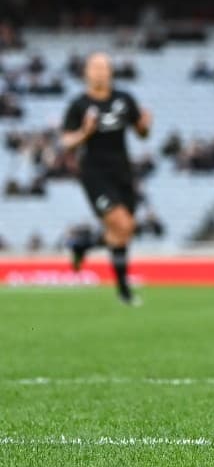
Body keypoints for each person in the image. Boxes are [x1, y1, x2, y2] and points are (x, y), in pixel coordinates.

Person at [61, 52, 152, 305]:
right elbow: (66, 142)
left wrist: (145, 125)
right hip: (94, 173)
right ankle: (123, 290)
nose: (100, 72)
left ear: (111, 71)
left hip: (123, 171)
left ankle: (84, 247)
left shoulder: (124, 99)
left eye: (105, 67)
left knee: (123, 231)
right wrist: (84, 132)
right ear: (87, 73)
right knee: (122, 225)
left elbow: (141, 132)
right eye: (95, 68)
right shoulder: (78, 105)